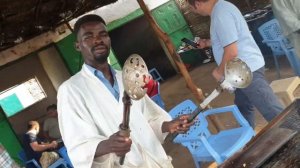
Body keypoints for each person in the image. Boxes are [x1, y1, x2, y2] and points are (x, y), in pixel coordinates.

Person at [57, 14, 194, 168]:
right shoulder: (71, 90)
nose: (97, 40)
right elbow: (77, 145)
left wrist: (168, 125)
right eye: (88, 36)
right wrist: (107, 145)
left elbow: (148, 118)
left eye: (103, 34)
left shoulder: (126, 77)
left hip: (156, 161)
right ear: (78, 45)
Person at [186, 0, 283, 128]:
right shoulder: (220, 9)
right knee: (243, 107)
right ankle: (248, 137)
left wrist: (219, 72)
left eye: (191, 8)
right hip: (238, 72)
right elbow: (228, 38)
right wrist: (207, 43)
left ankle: (294, 134)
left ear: (197, 4)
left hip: (247, 70)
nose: (193, 11)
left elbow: (231, 51)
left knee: (272, 110)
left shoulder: (221, 13)